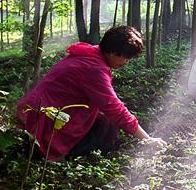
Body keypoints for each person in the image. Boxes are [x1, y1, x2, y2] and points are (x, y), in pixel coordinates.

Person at [16, 26, 165, 161]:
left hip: (36, 113)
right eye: (125, 57)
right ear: (112, 52)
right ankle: (71, 160)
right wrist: (147, 139)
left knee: (103, 120)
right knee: (108, 126)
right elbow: (114, 108)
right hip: (44, 122)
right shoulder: (93, 68)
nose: (126, 62)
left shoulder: (90, 53)